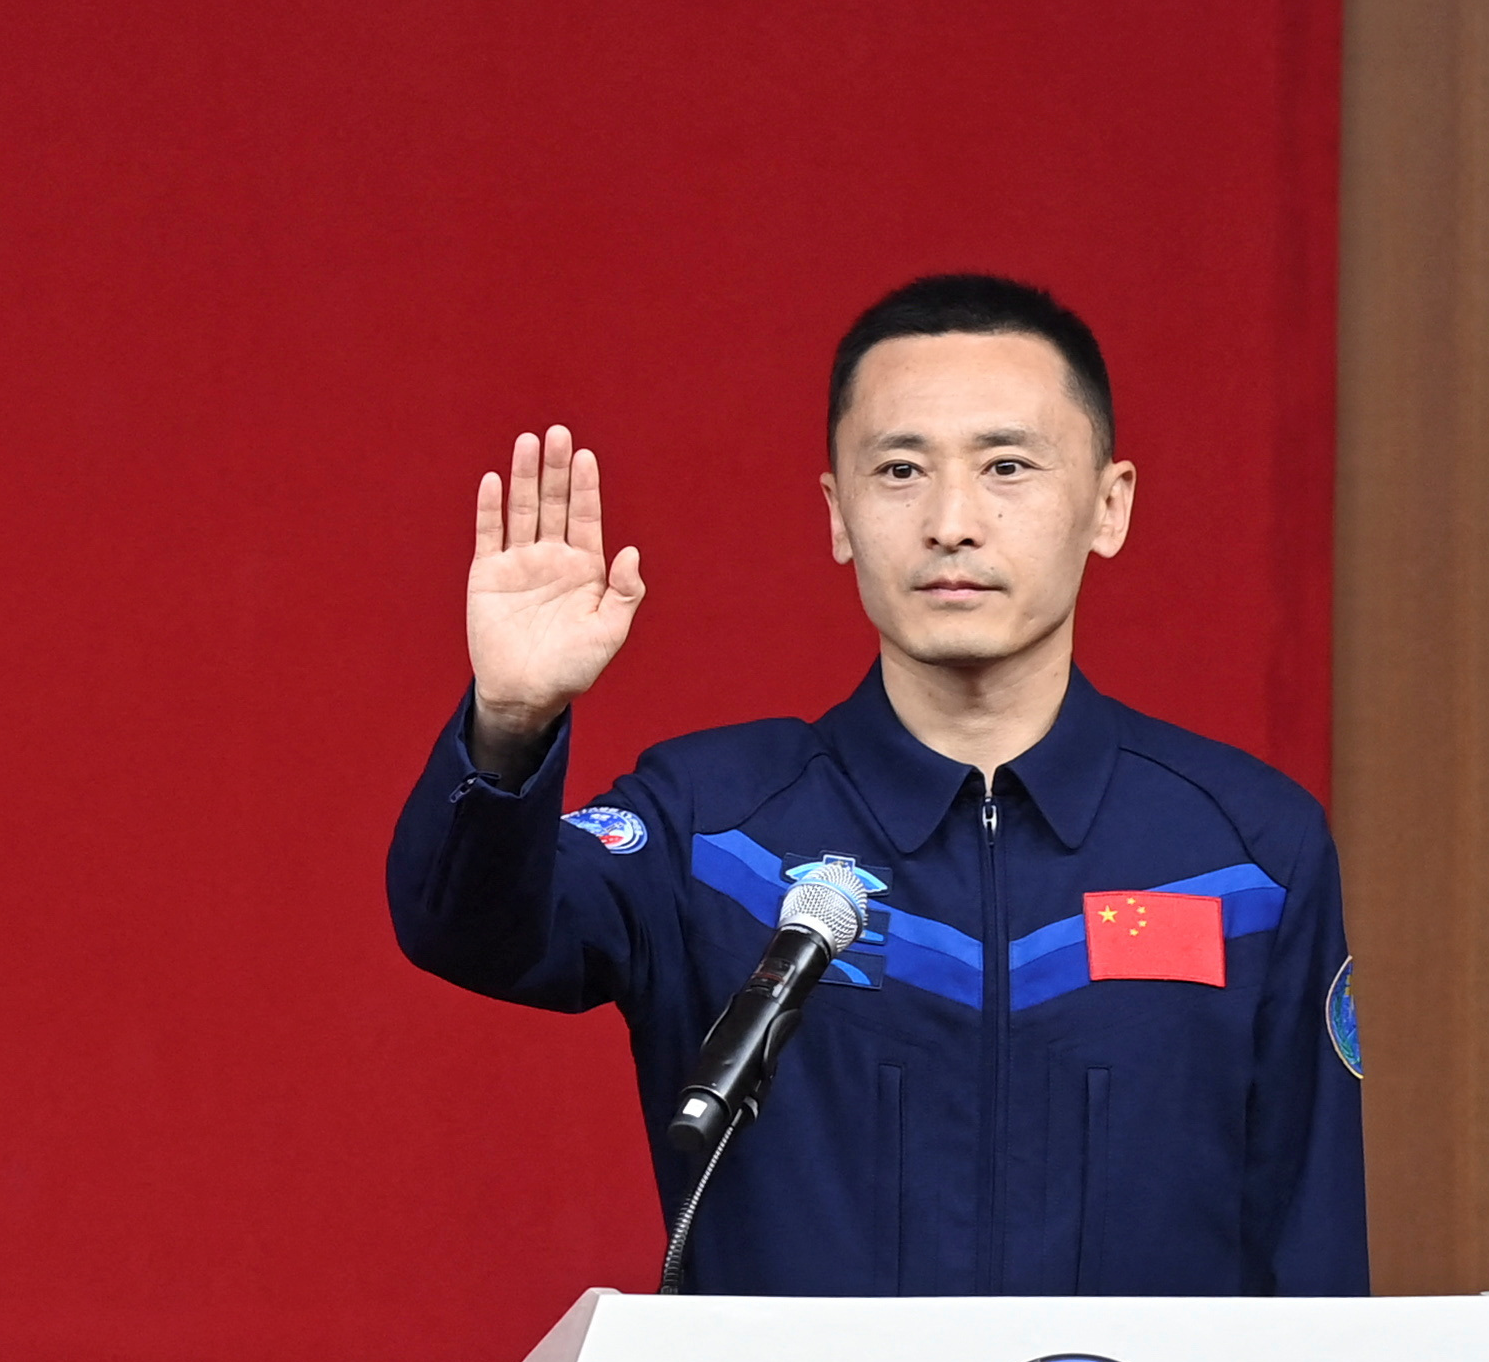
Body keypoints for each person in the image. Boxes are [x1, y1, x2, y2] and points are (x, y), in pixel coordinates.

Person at [387, 271, 1361, 1296]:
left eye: (1006, 467)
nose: (950, 521)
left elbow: (1312, 1244)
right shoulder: (712, 833)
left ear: (1106, 506)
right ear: (838, 513)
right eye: (898, 470)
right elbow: (469, 931)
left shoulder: (1246, 853)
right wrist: (508, 722)